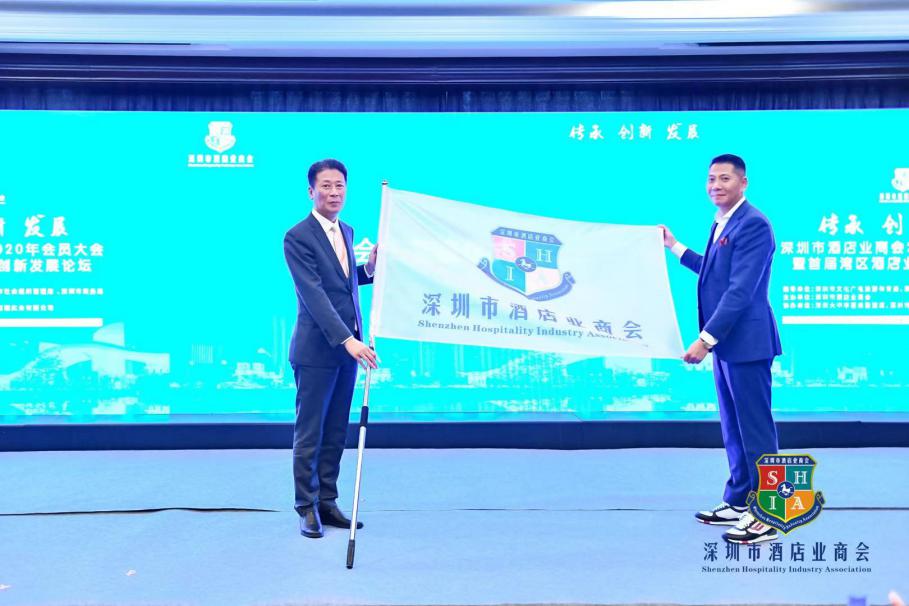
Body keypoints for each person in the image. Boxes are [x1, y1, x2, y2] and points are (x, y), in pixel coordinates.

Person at [660, 154, 782, 544]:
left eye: (725, 178)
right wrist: (675, 246)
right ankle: (740, 499)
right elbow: (713, 272)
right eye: (711, 178)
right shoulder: (723, 221)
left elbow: (740, 290)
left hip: (747, 343)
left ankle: (769, 514)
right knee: (734, 426)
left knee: (756, 430)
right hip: (730, 345)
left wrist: (706, 338)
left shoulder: (754, 224)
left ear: (743, 182)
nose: (716, 185)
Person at [283, 158, 378, 539]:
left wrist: (368, 270)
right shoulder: (297, 237)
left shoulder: (347, 230)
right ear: (312, 191)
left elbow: (343, 283)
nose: (334, 192)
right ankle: (306, 507)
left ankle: (327, 501)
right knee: (311, 433)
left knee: (336, 430)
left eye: (339, 186)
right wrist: (348, 339)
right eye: (326, 186)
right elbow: (315, 294)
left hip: (346, 352)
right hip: (316, 351)